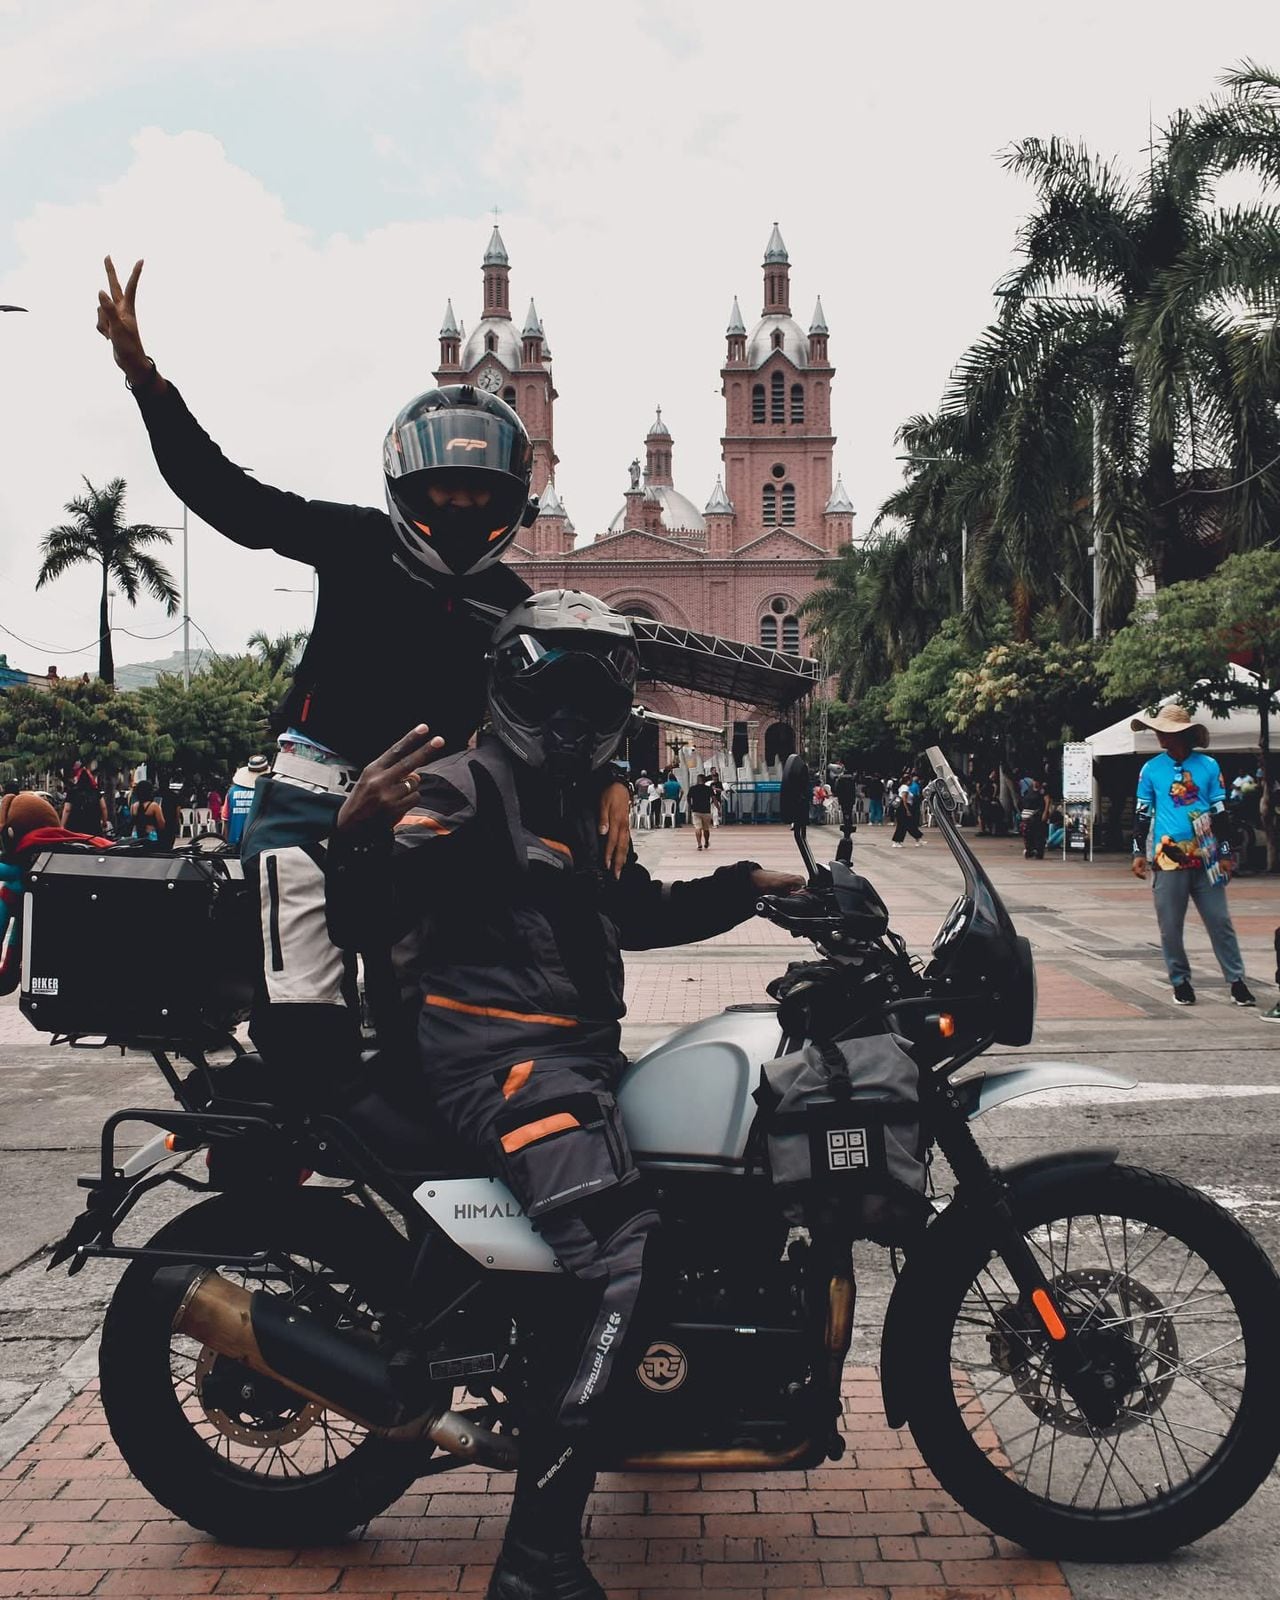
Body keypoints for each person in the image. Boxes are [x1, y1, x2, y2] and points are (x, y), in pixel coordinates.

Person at [327, 593, 802, 1600]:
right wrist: (357, 837)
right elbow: (373, 910)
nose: (576, 715)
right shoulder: (463, 789)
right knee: (623, 1257)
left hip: (566, 1058)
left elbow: (631, 913)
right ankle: (536, 1558)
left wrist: (760, 883)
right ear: (509, 688)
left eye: (596, 692)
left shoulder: (568, 804)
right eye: (556, 689)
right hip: (501, 1064)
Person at [96, 256, 630, 1095]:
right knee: (307, 1027)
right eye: (441, 489)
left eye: (476, 492)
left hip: (429, 829)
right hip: (311, 809)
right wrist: (145, 379)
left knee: (434, 1040)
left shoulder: (510, 601)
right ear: (407, 482)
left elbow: (571, 695)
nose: (456, 508)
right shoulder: (352, 540)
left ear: (512, 497)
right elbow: (228, 496)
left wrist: (613, 777)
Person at [1130, 705, 1254, 1008]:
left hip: (1207, 856)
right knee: (1170, 925)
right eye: (1158, 730)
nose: (1159, 736)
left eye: (1165, 732)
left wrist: (1226, 853)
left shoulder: (1209, 766)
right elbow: (1142, 815)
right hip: (1168, 857)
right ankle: (1180, 980)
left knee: (1220, 921)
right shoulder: (1150, 770)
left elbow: (1220, 812)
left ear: (1181, 734)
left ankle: (1236, 980)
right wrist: (1137, 853)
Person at [225, 755, 269, 849]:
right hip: (259, 845)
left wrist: (227, 842)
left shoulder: (232, 791)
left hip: (235, 844)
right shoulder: (267, 792)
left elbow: (225, 819)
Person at [62, 765, 110, 837]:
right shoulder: (96, 792)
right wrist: (104, 822)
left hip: (75, 828)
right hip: (93, 827)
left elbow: (67, 810)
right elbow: (103, 808)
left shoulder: (72, 792)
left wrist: (62, 826)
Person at [688, 772, 713, 849]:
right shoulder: (708, 788)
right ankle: (706, 842)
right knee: (706, 829)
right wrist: (718, 809)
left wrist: (690, 806)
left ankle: (699, 844)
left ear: (698, 780)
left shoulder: (692, 788)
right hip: (706, 810)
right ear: (704, 780)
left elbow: (688, 797)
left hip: (696, 810)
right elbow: (714, 798)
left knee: (697, 828)